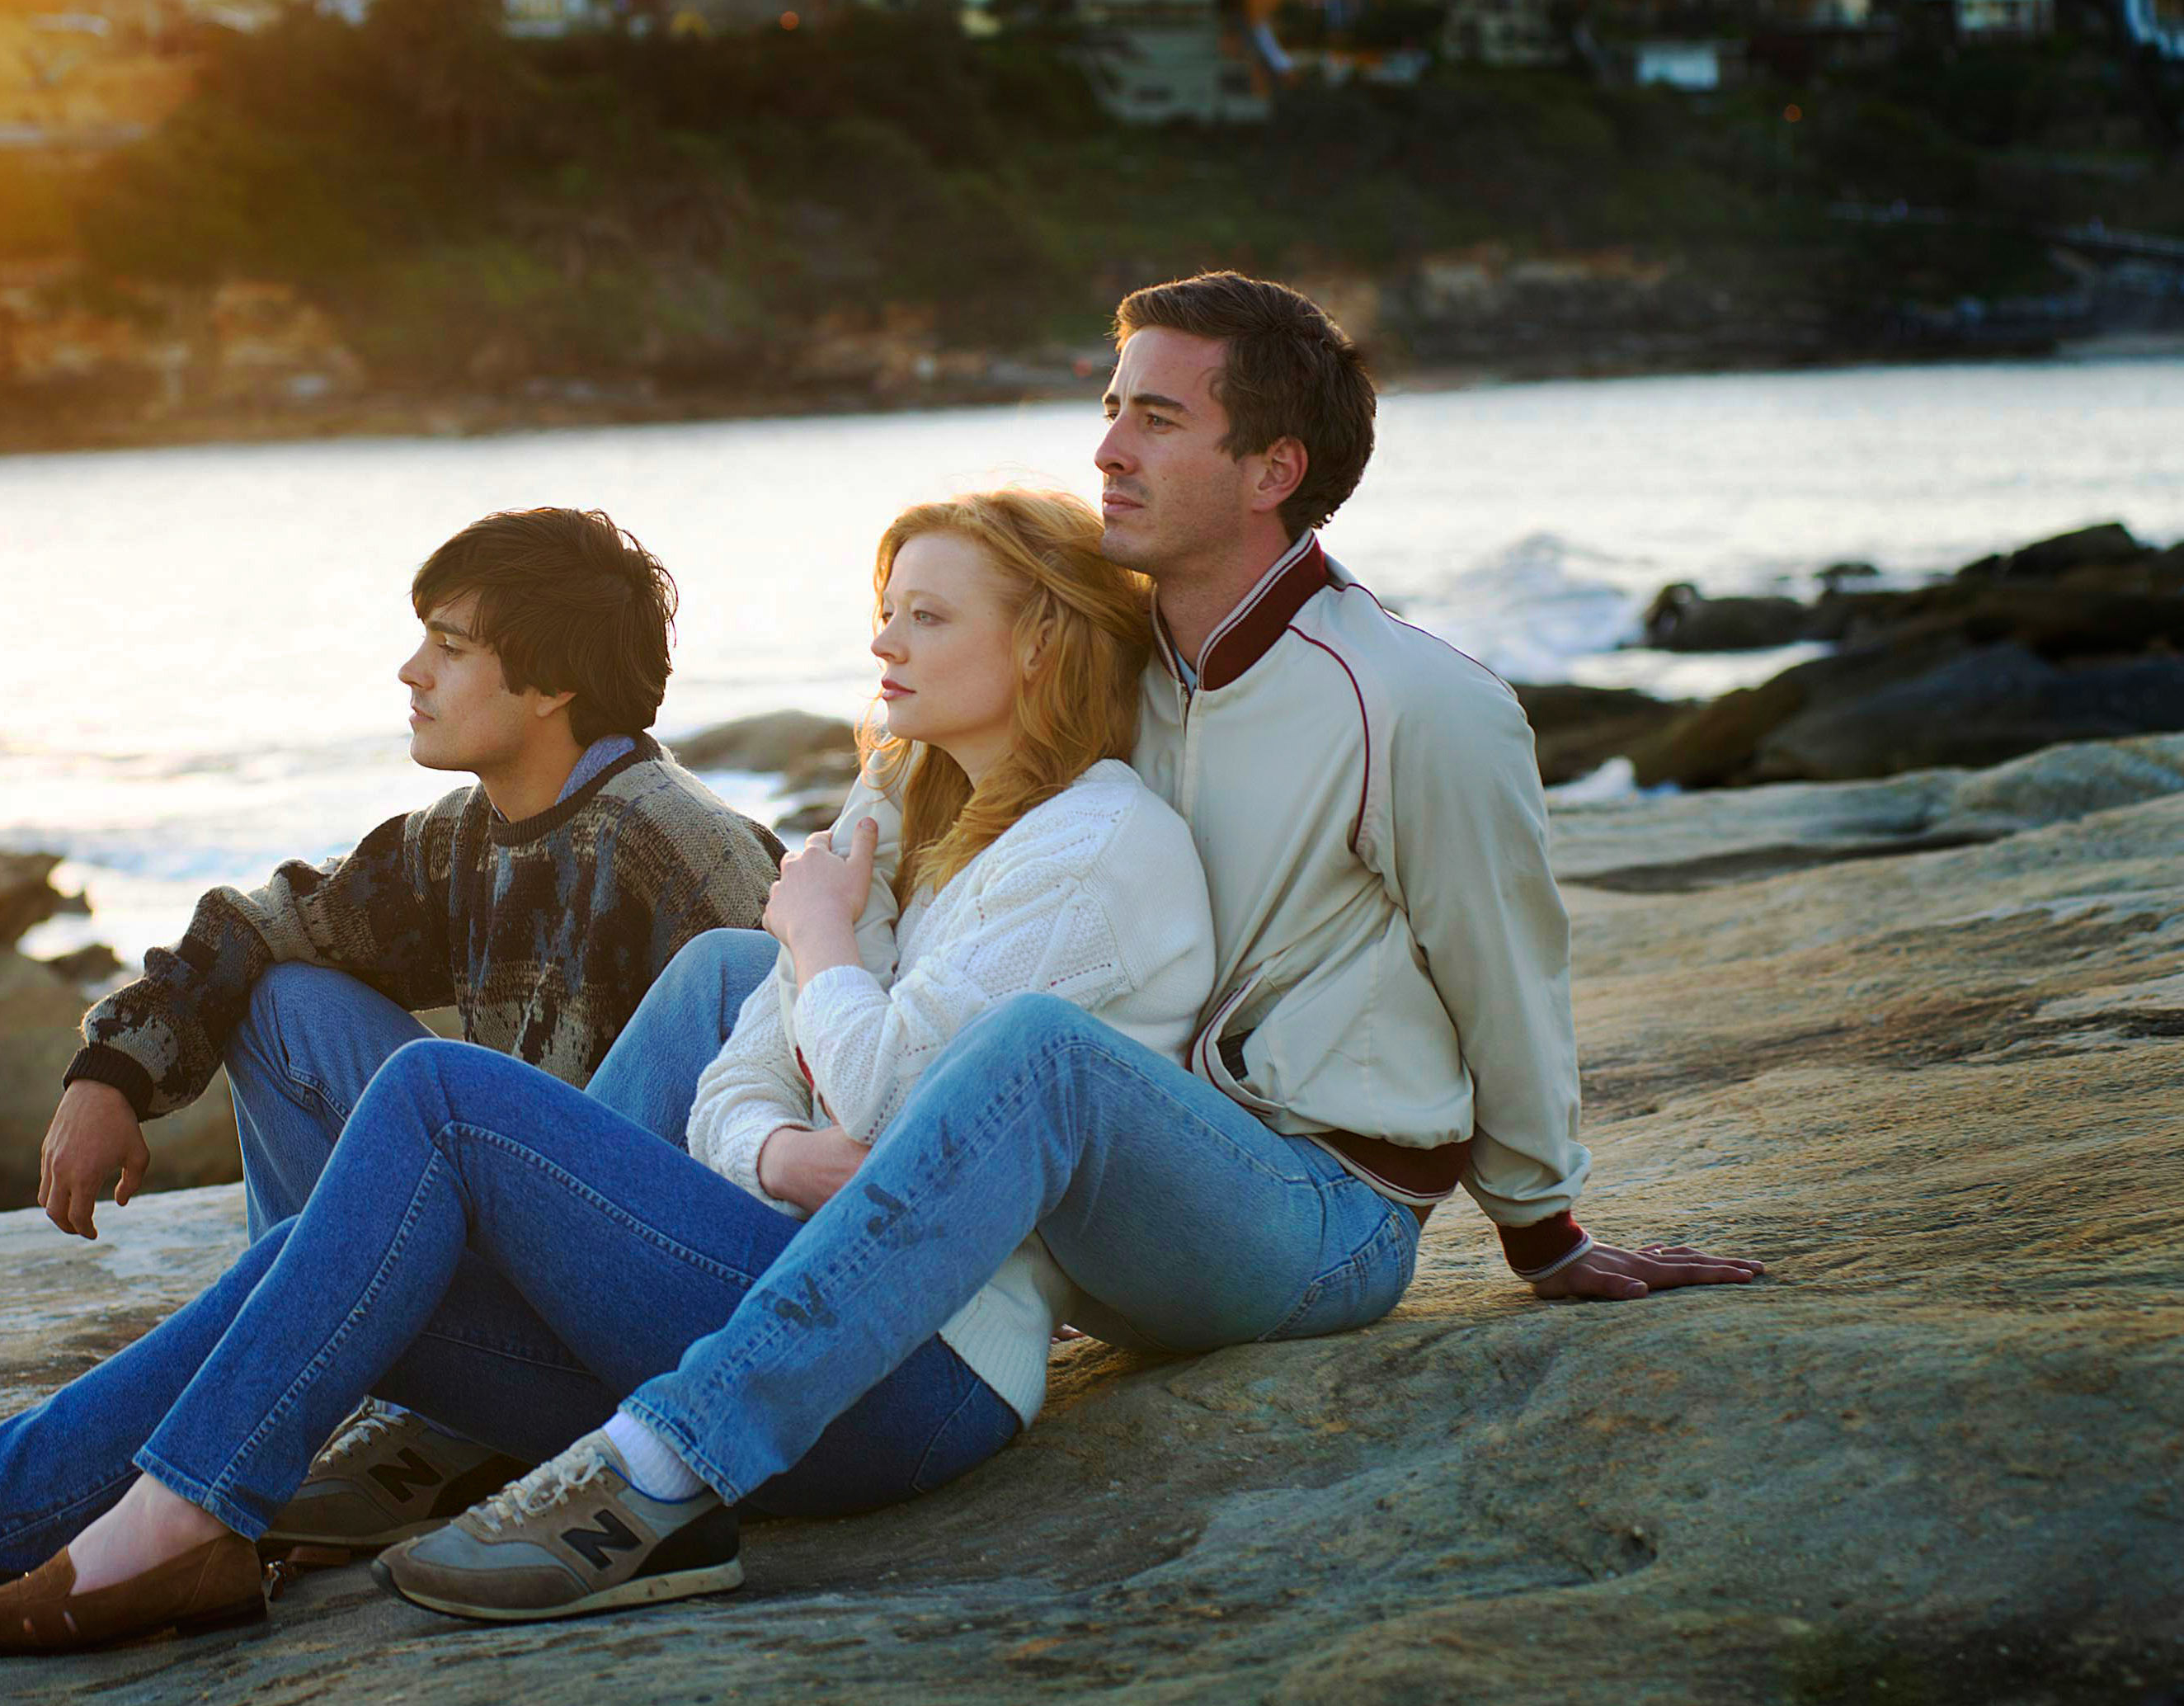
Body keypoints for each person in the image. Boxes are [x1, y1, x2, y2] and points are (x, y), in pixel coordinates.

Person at [363, 271, 1764, 1620]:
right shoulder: (1088, 654)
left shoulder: (1417, 702)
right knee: (740, 972)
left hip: (1311, 1210)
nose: (1106, 446)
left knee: (1037, 1050)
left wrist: (1547, 1225)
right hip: (1095, 1201)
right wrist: (796, 1027)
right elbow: (877, 847)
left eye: (1157, 416)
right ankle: (476, 1392)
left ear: (1274, 468)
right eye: (1111, 403)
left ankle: (661, 1466)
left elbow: (1505, 966)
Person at [0, 486, 1214, 1657]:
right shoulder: (893, 837)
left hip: (893, 1372)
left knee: (435, 1107)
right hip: (711, 1310)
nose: (880, 643)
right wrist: (114, 1061)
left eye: (926, 616)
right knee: (305, 1218)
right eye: (888, 607)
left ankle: (180, 1509)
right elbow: (751, 1100)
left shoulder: (1064, 857)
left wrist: (814, 962)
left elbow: (895, 1123)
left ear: (1046, 642)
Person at [38, 503, 784, 1251]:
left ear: (553, 683)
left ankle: (320, 1305)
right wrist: (110, 1075)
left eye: (450, 648)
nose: (411, 670)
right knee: (283, 1002)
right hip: (512, 1219)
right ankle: (318, 1290)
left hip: (628, 1262)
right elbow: (262, 925)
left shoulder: (685, 845)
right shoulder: (461, 834)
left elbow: (793, 1093)